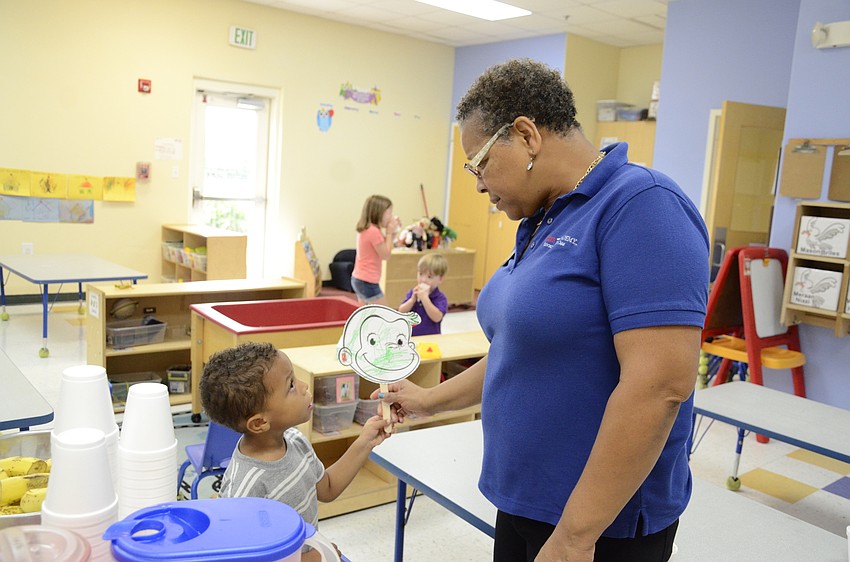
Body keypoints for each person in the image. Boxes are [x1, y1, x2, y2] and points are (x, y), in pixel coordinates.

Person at [373, 59, 709, 562]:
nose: (479, 185)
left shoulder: (642, 206)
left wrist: (576, 536)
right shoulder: (541, 217)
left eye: (480, 164)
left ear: (527, 135)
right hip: (529, 500)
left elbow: (660, 386)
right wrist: (430, 401)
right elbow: (524, 349)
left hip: (600, 527)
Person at [200, 342, 390, 561]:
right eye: (291, 385)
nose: (303, 387)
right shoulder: (245, 487)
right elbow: (248, 557)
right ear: (260, 422)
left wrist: (365, 441)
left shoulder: (294, 438)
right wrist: (316, 557)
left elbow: (327, 488)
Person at [351, 194, 401, 305]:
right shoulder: (373, 232)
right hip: (367, 281)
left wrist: (393, 232)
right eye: (389, 213)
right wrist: (389, 232)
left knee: (365, 315)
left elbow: (384, 246)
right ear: (379, 213)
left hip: (359, 278)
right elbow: (386, 255)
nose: (391, 216)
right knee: (384, 314)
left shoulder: (367, 229)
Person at [398, 253, 449, 336]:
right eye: (420, 274)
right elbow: (401, 311)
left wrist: (425, 299)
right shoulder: (412, 293)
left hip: (431, 338)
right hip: (411, 337)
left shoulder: (440, 298)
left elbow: (437, 318)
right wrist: (412, 300)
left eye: (429, 277)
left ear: (440, 279)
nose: (423, 280)